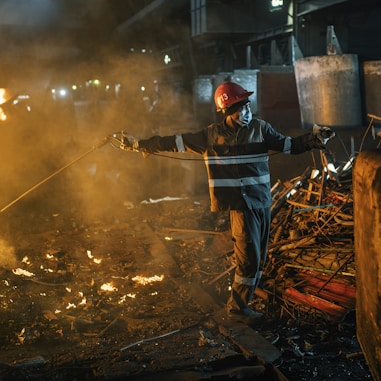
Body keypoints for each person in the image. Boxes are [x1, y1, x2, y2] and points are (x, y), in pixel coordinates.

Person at [118, 81, 334, 323]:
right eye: (241, 107)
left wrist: (314, 139)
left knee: (259, 258)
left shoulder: (261, 129)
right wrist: (140, 145)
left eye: (247, 105)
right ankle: (237, 309)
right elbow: (174, 142)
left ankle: (243, 303)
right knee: (248, 258)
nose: (247, 111)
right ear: (227, 111)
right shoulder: (210, 136)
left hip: (262, 202)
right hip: (241, 207)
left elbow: (290, 146)